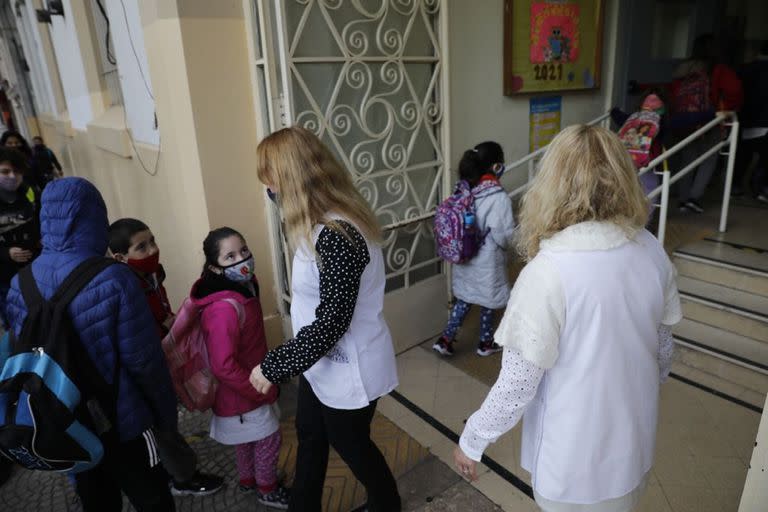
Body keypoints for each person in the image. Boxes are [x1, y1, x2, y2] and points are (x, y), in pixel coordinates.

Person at [452, 125, 682, 512]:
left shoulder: (548, 272)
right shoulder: (650, 248)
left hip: (573, 463)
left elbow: (517, 385)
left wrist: (472, 440)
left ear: (552, 185)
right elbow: (662, 350)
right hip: (634, 445)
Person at [249, 126, 401, 512]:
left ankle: (386, 505)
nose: (269, 191)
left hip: (349, 365)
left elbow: (333, 320)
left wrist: (274, 365)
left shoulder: (337, 235)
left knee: (352, 446)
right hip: (321, 365)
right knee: (311, 434)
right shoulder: (316, 226)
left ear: (290, 180)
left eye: (271, 181)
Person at [5, 178, 179, 511]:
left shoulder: (19, 283)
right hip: (124, 419)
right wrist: (165, 418)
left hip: (65, 418)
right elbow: (145, 362)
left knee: (96, 498)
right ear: (94, 217)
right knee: (152, 495)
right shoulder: (114, 277)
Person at [108, 218, 224, 497]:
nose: (152, 250)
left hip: (159, 352)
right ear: (120, 257)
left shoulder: (152, 273)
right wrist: (162, 327)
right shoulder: (123, 286)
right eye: (141, 247)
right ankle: (183, 479)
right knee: (161, 423)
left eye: (152, 241)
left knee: (164, 419)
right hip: (144, 364)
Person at [189, 227, 288, 509]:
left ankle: (248, 480)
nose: (241, 259)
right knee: (268, 439)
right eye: (229, 256)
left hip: (240, 391)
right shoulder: (224, 308)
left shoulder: (243, 287)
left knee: (245, 442)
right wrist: (261, 391)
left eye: (243, 251)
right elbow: (223, 366)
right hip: (243, 392)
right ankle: (267, 489)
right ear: (214, 267)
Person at [432, 142, 516, 357]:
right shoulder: (498, 198)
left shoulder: (464, 190)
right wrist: (511, 244)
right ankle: (485, 343)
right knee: (488, 303)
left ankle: (445, 339)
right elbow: (503, 235)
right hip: (487, 262)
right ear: (496, 167)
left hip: (464, 257)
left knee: (465, 300)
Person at [669, 34, 743, 213]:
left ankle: (682, 198)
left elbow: (672, 94)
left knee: (687, 159)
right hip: (710, 121)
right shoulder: (719, 70)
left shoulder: (683, 69)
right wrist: (726, 109)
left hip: (686, 122)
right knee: (708, 159)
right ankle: (694, 198)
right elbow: (735, 91)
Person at [0, 147, 40, 327]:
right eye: (5, 171)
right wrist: (6, 253)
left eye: (16, 171)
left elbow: (41, 218)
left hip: (34, 267)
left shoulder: (29, 192)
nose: (11, 176)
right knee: (15, 321)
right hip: (4, 276)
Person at [735, 40, 768, 202]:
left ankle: (736, 186)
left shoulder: (744, 69)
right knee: (764, 158)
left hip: (743, 120)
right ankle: (759, 188)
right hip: (764, 121)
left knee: (743, 155)